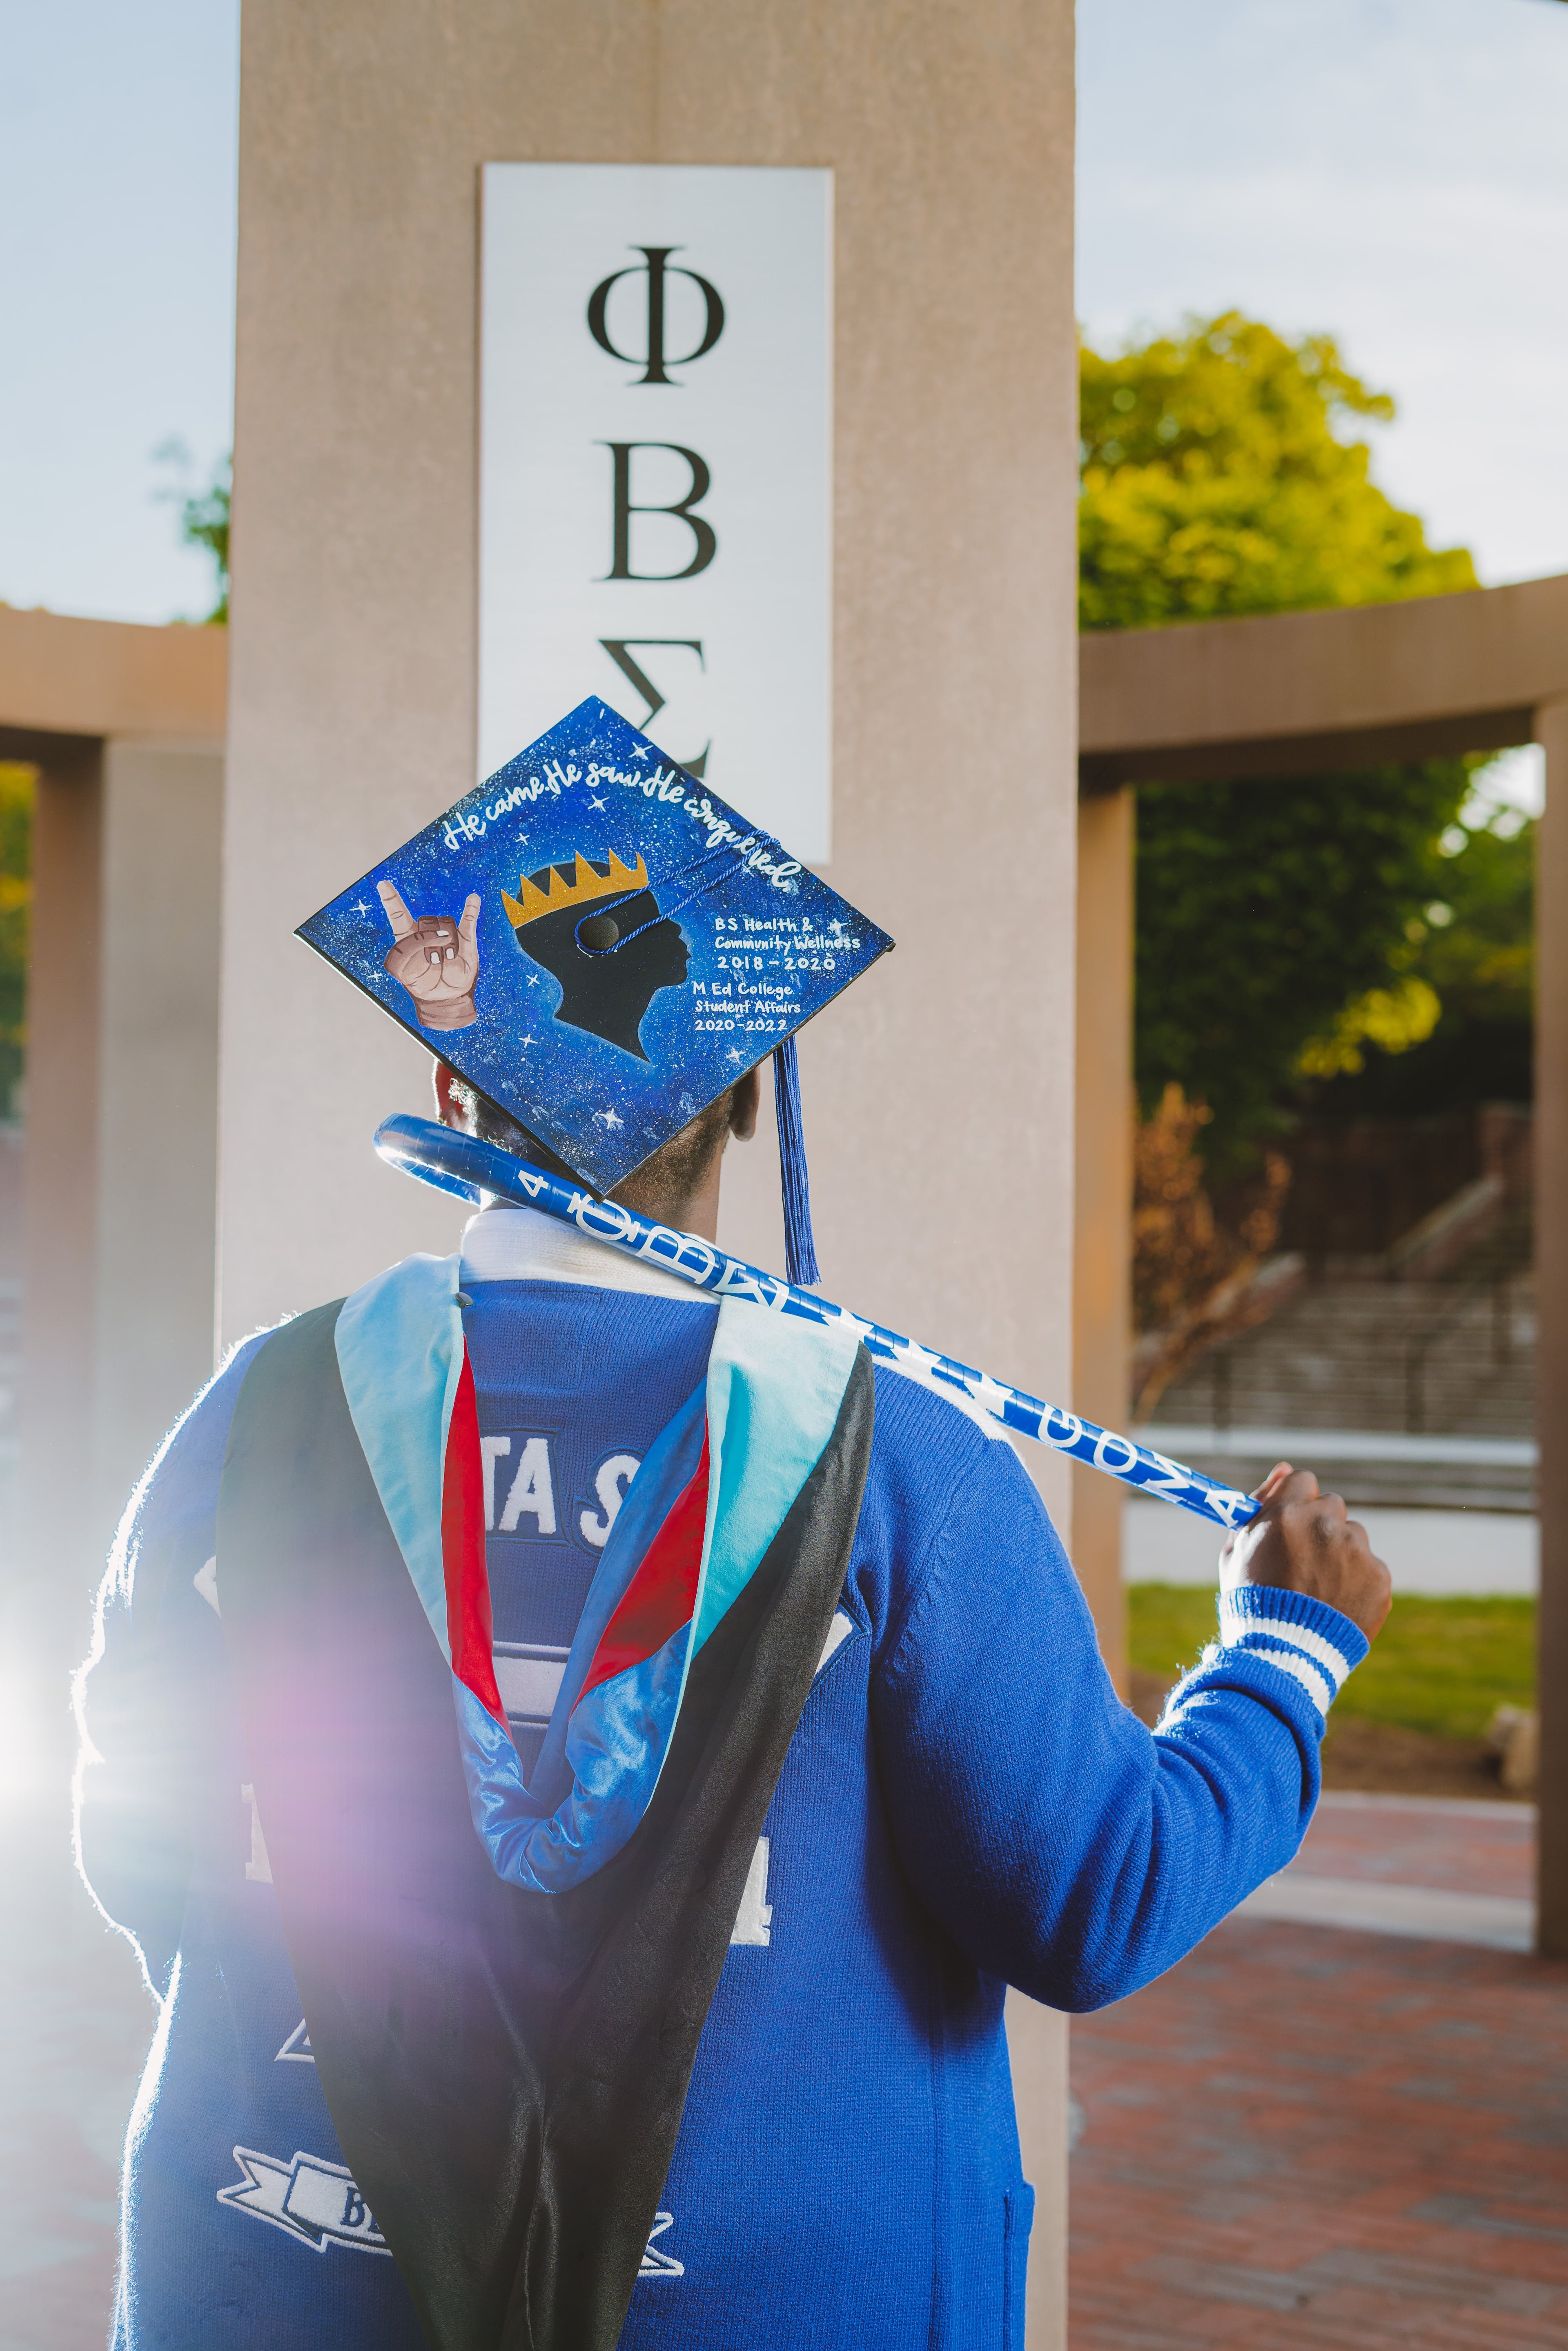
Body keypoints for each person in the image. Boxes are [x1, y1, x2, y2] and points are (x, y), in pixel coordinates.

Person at [76, 702, 1390, 2351]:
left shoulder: (256, 1416)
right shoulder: (888, 1462)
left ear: (445, 1074)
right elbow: (1097, 1899)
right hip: (780, 2299)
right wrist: (1287, 1653)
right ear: (757, 1091)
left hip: (267, 2278)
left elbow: (139, 1840)